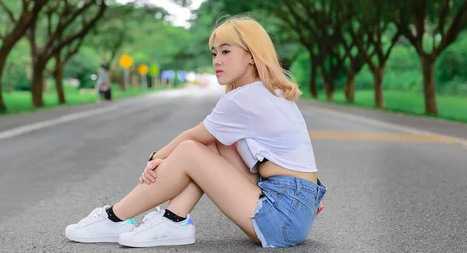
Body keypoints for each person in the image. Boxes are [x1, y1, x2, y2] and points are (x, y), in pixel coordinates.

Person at [65, 15, 326, 248]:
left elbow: (192, 137)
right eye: (214, 54)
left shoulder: (245, 98)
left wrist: (156, 157)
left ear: (251, 55)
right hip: (293, 208)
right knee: (213, 146)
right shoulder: (269, 91)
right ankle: (174, 220)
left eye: (226, 52)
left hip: (282, 214)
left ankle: (115, 217)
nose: (217, 61)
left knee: (190, 151)